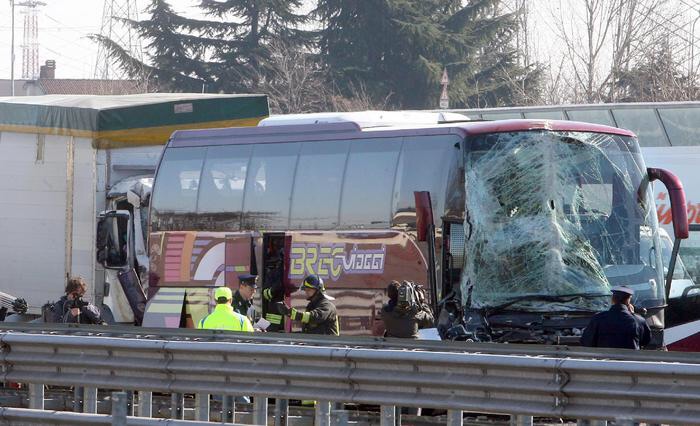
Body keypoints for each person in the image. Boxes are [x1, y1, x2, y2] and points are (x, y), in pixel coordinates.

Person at [580, 285, 651, 349]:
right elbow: (645, 341)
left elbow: (586, 342)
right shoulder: (639, 321)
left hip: (603, 361)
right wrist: (633, 314)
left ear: (613, 299)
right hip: (630, 361)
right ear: (628, 300)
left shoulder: (598, 319)